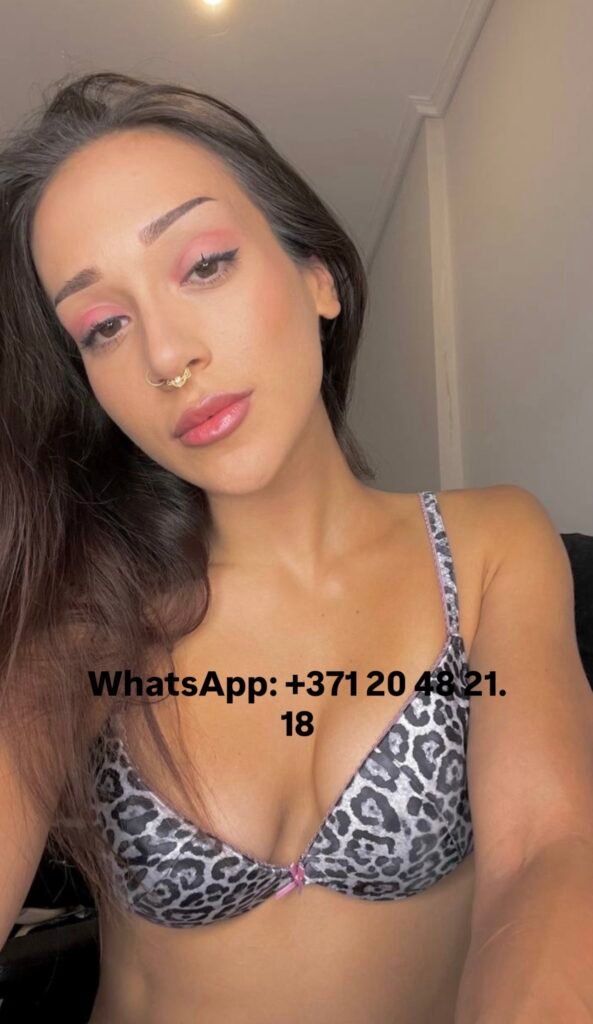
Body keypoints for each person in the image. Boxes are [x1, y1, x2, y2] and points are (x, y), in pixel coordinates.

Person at [1, 71, 592, 1024]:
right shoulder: (82, 619)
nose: (166, 356)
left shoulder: (487, 548)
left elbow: (545, 854)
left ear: (317, 277)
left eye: (203, 265)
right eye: (103, 326)